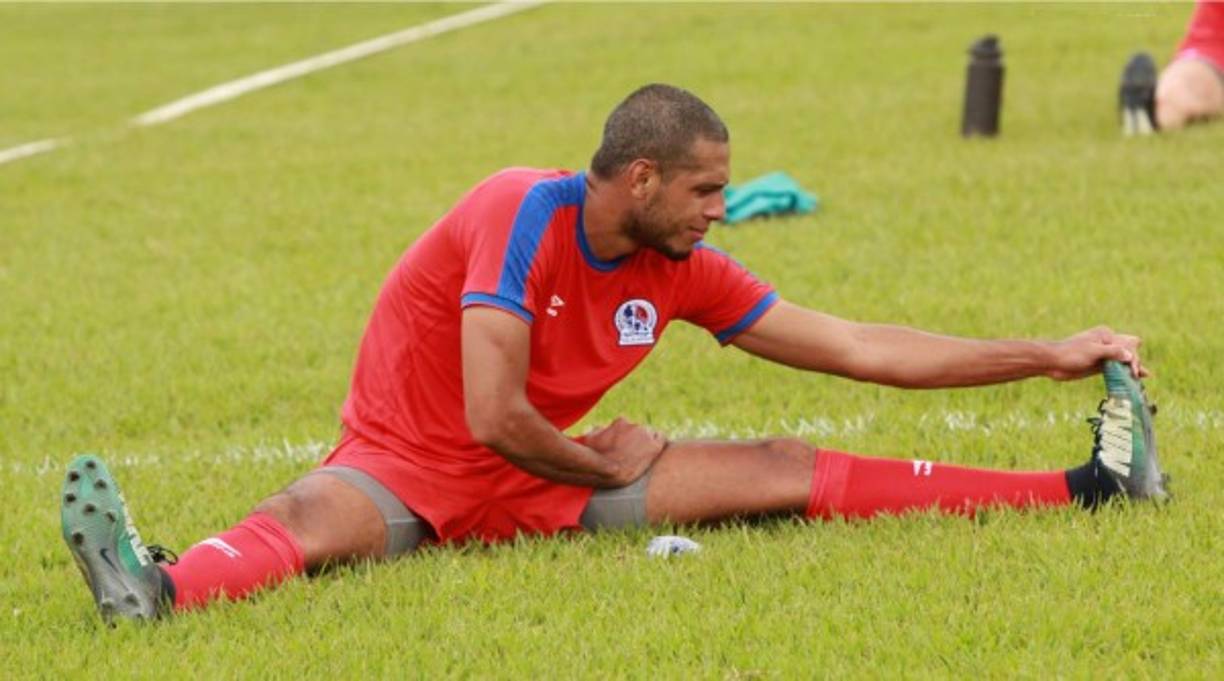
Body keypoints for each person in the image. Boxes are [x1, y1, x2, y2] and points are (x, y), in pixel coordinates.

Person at [61, 83, 1167, 624]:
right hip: (411, 463)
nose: (720, 210)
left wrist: (1047, 353)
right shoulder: (520, 210)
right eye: (705, 190)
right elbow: (493, 415)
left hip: (547, 476)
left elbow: (858, 346)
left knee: (782, 466)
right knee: (304, 521)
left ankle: (1089, 488)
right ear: (641, 180)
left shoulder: (680, 264)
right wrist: (603, 463)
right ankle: (154, 586)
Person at [1120, 0, 1224, 135]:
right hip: (1214, 40)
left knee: (1187, 87)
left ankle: (1158, 112)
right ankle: (1149, 116)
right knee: (1179, 90)